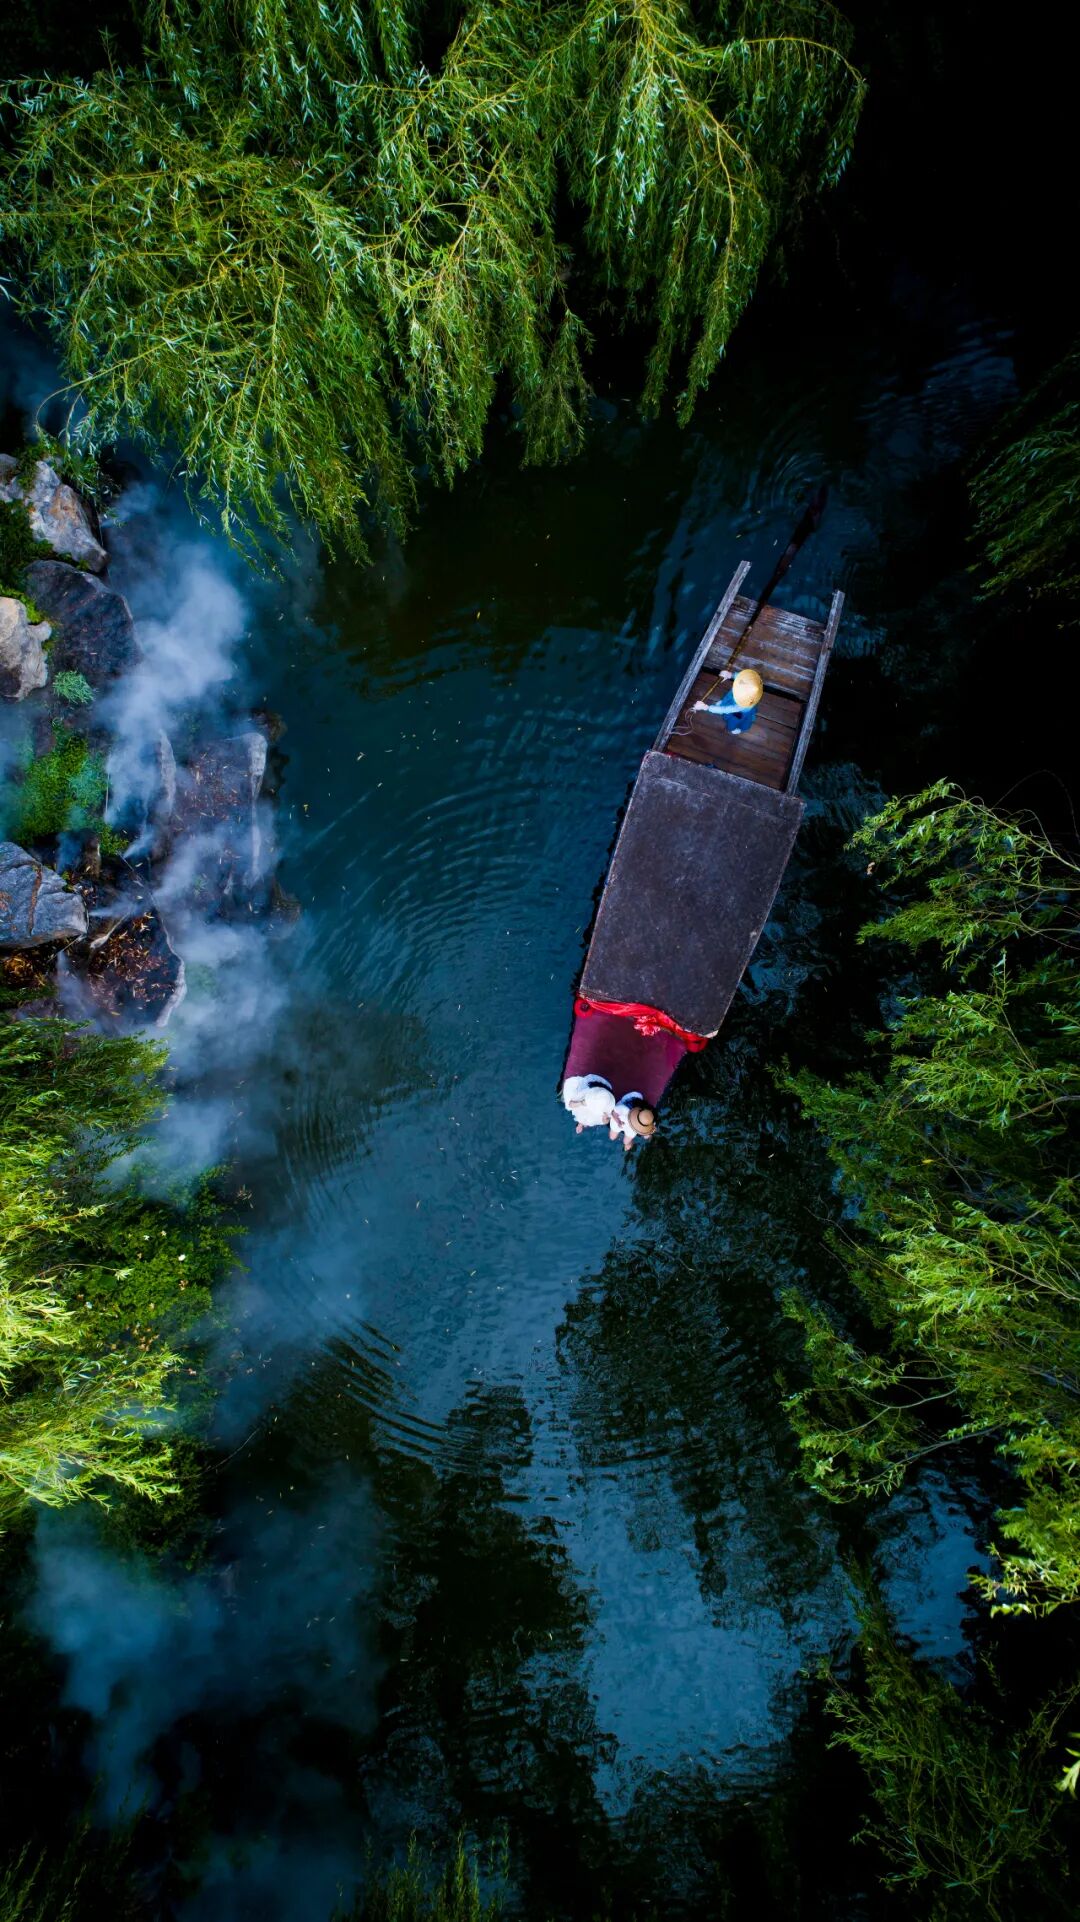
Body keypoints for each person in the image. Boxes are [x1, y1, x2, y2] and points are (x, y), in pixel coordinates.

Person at [692, 665, 764, 734]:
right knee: (728, 700)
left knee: (732, 722)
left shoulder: (740, 706)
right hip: (743, 703)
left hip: (739, 713)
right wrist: (730, 675)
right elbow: (743, 678)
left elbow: (725, 710)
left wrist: (706, 707)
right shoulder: (755, 685)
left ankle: (734, 729)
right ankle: (724, 703)